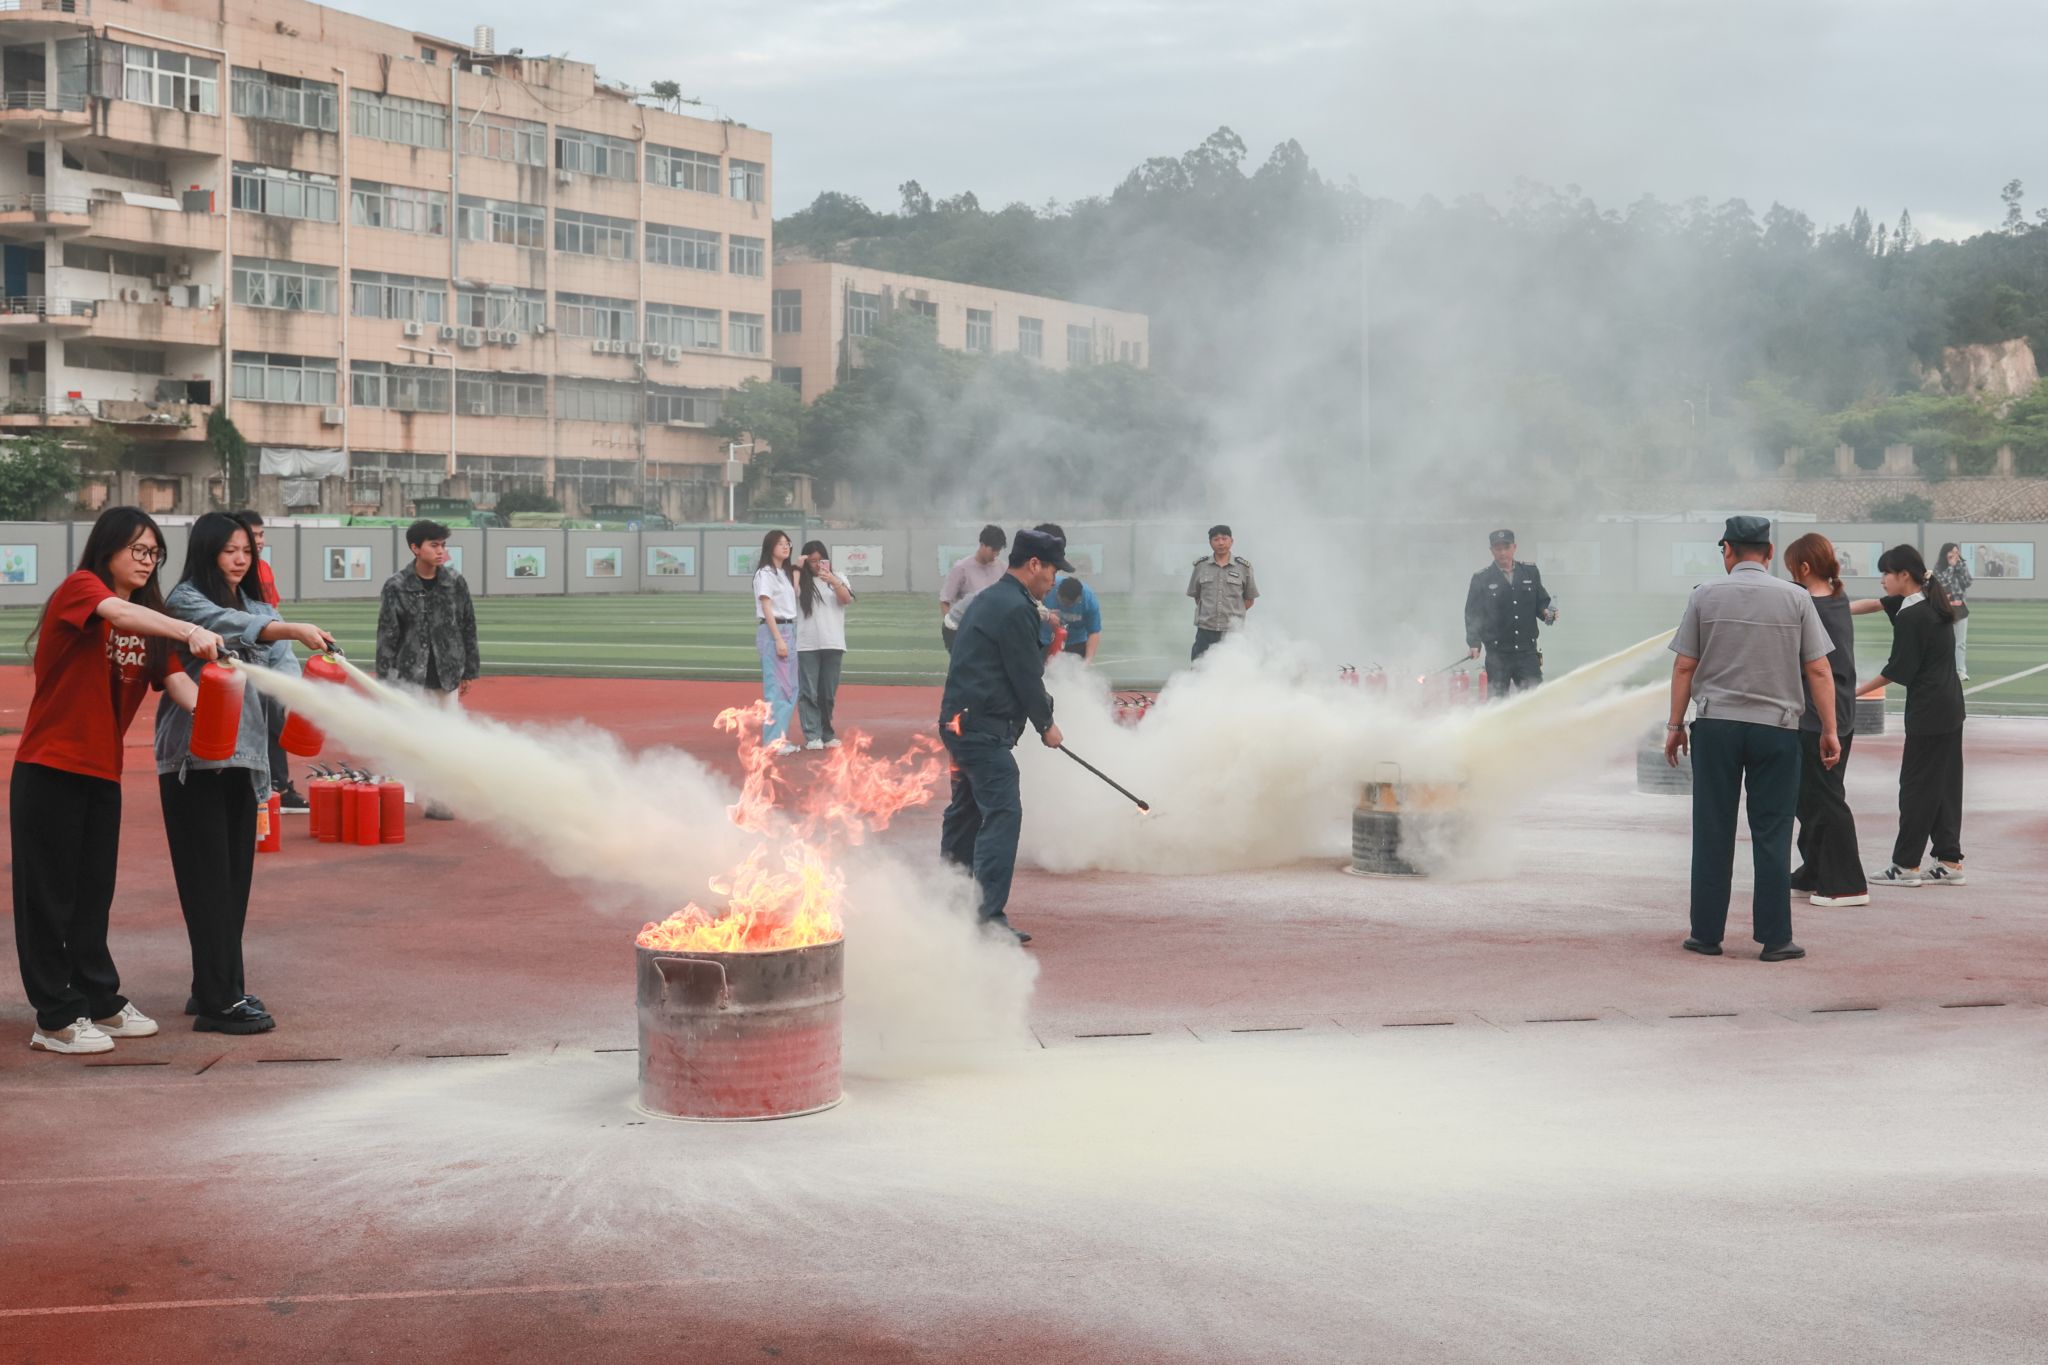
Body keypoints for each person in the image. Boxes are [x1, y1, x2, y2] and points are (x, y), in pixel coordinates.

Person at [12, 508, 224, 1055]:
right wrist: (189, 627)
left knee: (92, 894)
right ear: (107, 548)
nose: (147, 561)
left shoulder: (149, 616)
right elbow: (118, 616)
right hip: (51, 766)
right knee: (48, 897)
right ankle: (55, 1017)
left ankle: (97, 999)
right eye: (138, 549)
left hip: (102, 772)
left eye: (154, 553)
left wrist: (223, 710)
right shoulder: (83, 590)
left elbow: (176, 681)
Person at [156, 513, 334, 1035]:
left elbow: (282, 671)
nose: (241, 558)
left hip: (246, 762)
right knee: (207, 881)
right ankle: (219, 1002)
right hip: (194, 763)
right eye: (230, 549)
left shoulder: (262, 607)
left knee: (233, 883)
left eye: (247, 551)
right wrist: (293, 629)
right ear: (207, 551)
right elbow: (227, 627)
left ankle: (214, 987)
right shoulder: (186, 602)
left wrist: (306, 690)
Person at [1664, 515, 1839, 962]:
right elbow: (1818, 669)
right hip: (1777, 730)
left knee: (1712, 831)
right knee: (1773, 833)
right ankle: (1775, 938)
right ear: (1769, 552)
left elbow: (1684, 666)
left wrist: (1674, 726)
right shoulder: (1796, 598)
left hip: (1717, 727)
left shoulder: (1704, 596)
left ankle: (1706, 935)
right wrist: (1831, 731)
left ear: (1728, 550)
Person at [937, 527, 1071, 943]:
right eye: (1052, 571)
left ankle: (952, 905)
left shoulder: (991, 598)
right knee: (1002, 812)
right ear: (1034, 564)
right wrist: (1046, 723)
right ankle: (987, 917)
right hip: (981, 729)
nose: (1054, 580)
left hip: (959, 723)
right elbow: (1025, 675)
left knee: (965, 811)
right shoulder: (1014, 608)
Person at [1853, 545, 1967, 888]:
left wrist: (1853, 692)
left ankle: (1906, 865)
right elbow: (1870, 605)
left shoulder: (1912, 616)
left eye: (1886, 573)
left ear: (1904, 575)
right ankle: (1948, 860)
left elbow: (1897, 670)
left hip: (1929, 711)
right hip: (1949, 706)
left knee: (1917, 787)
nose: (1883, 580)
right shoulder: (1928, 600)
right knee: (1944, 784)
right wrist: (1823, 608)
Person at [1781, 534, 1869, 908]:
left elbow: (1814, 669)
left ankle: (1847, 884)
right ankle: (1814, 869)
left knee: (1825, 799)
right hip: (1835, 712)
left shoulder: (1806, 606)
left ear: (1803, 568)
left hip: (1819, 716)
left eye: (1790, 569)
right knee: (1809, 797)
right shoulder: (1836, 597)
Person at [375, 519, 480, 819]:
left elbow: (467, 625)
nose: (440, 551)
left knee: (446, 740)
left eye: (443, 545)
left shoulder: (455, 582)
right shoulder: (396, 585)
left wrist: (469, 670)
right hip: (410, 675)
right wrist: (385, 679)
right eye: (434, 545)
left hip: (447, 673)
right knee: (407, 737)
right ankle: (396, 796)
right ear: (415, 548)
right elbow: (387, 634)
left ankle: (438, 798)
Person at [235, 509, 308, 812]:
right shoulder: (233, 572)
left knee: (274, 720)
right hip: (244, 657)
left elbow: (271, 613)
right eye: (253, 535)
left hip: (268, 654)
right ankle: (253, 787)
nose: (259, 541)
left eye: (262, 535)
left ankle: (276, 784)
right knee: (249, 723)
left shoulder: (263, 569)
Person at [1464, 529, 1558, 695]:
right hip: (1497, 654)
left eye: (1506, 547)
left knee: (1533, 699)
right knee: (1498, 702)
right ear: (1491, 551)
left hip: (1527, 652)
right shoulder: (1481, 578)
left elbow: (1541, 602)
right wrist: (1474, 643)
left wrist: (1547, 612)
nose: (1502, 552)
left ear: (1514, 547)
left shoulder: (1530, 572)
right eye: (1497, 548)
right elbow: (1473, 613)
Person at [794, 540, 854, 751]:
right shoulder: (800, 580)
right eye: (812, 561)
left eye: (820, 560)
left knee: (827, 693)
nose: (816, 565)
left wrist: (833, 580)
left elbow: (847, 599)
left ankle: (827, 733)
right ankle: (812, 735)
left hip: (833, 642)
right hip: (807, 643)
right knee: (808, 691)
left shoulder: (838, 577)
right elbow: (788, 595)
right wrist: (797, 568)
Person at [752, 529, 800, 756]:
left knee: (790, 689)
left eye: (787, 543)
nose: (786, 546)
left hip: (789, 628)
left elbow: (794, 595)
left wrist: (798, 569)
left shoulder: (783, 573)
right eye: (780, 543)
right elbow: (766, 607)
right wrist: (779, 639)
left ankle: (780, 739)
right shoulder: (766, 574)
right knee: (776, 690)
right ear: (769, 546)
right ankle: (772, 742)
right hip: (775, 630)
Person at [1029, 522, 1101, 661]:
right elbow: (1028, 608)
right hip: (1046, 641)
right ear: (1057, 592)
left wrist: (1087, 662)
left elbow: (1094, 632)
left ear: (1078, 600)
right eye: (1062, 602)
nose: (1065, 606)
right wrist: (1047, 615)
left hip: (1076, 643)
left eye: (1069, 604)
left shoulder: (1088, 599)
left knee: (1074, 675)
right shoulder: (1047, 585)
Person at [1188, 524, 1257, 660]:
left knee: (1232, 669)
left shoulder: (1243, 567)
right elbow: (1197, 596)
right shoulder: (1201, 566)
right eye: (1216, 539)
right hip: (1206, 630)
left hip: (1232, 631)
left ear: (1231, 541)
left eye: (1224, 539)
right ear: (1210, 543)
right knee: (1199, 668)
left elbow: (1249, 599)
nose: (1220, 543)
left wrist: (1233, 612)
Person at [939, 525, 1008, 652]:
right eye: (993, 550)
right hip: (968, 633)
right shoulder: (961, 568)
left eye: (998, 551)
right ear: (982, 544)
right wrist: (953, 631)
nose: (995, 554)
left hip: (994, 636)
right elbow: (945, 600)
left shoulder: (1003, 569)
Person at [1932, 542, 1972, 681]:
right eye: (1951, 552)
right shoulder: (1938, 568)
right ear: (1945, 554)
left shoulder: (1961, 566)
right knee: (1943, 640)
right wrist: (1950, 567)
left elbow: (1968, 582)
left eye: (1957, 552)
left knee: (1960, 642)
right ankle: (1942, 669)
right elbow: (1943, 584)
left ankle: (1960, 670)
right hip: (1944, 606)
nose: (1955, 555)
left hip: (1959, 605)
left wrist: (1960, 568)